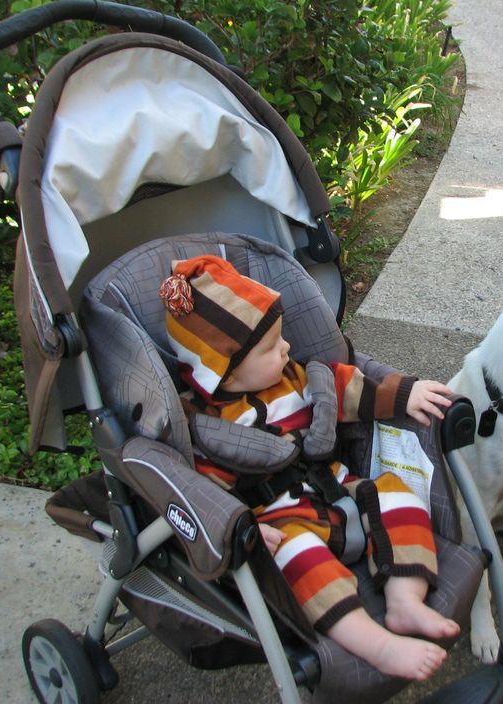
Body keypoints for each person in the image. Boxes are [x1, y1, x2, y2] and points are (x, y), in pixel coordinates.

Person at [160, 255, 459, 681]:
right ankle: (377, 645)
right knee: (293, 557)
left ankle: (404, 598)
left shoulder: (297, 376)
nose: (285, 348)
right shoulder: (212, 428)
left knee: (396, 494)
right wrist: (235, 522)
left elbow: (352, 387)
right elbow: (205, 487)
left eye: (280, 340)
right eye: (269, 347)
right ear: (222, 371)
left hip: (342, 487)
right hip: (283, 518)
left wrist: (403, 395)